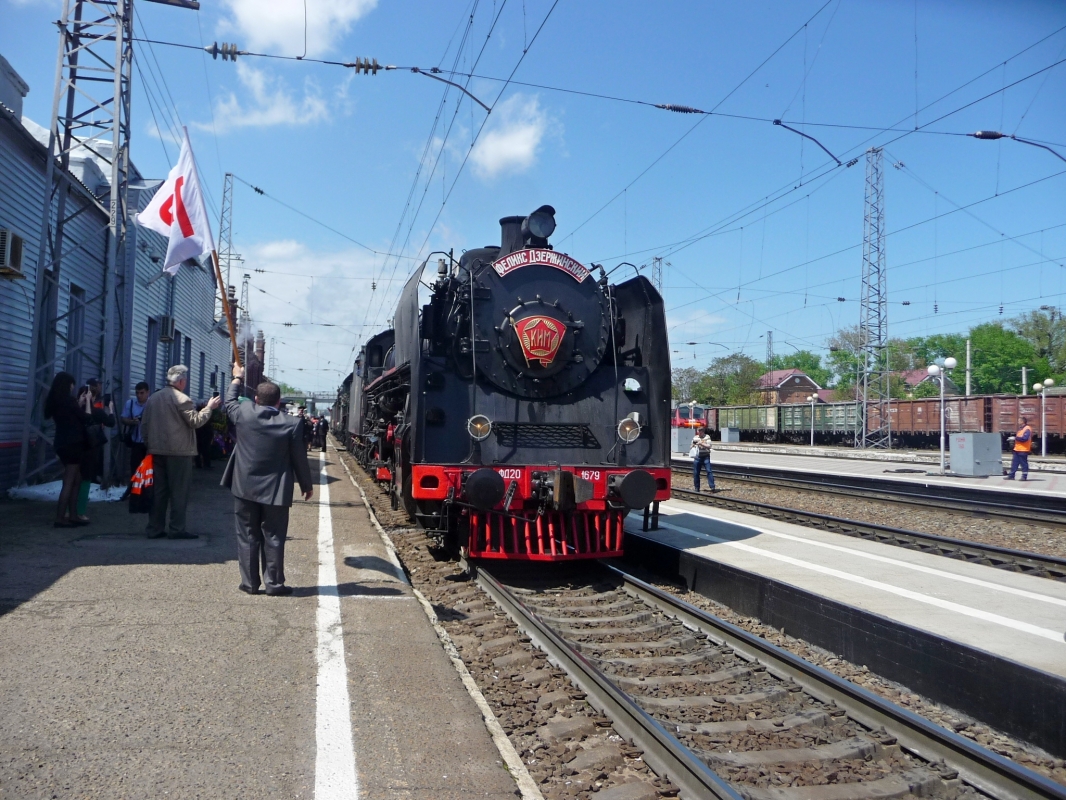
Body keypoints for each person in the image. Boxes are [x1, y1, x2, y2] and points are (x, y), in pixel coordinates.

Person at [222, 362, 313, 596]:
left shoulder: (244, 414)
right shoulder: (292, 424)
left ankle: (250, 584)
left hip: (244, 486)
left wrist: (236, 378)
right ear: (278, 402)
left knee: (247, 535)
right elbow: (299, 458)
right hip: (276, 490)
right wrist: (306, 485)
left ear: (256, 400)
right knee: (273, 536)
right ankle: (274, 584)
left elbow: (229, 401)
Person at [140, 365, 222, 539]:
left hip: (156, 450)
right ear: (182, 381)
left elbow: (144, 425)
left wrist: (149, 445)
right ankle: (177, 529)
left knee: (158, 492)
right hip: (179, 452)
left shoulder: (153, 398)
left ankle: (155, 528)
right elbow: (195, 421)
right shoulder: (182, 399)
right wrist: (209, 408)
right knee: (179, 492)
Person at [44, 372, 91, 527]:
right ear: (67, 384)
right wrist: (87, 402)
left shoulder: (55, 401)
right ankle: (61, 517)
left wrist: (78, 402)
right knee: (70, 480)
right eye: (72, 384)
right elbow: (85, 418)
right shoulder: (69, 401)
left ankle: (73, 515)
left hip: (61, 443)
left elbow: (69, 415)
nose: (73, 387)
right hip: (74, 444)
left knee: (76, 479)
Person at [76, 379, 116, 522]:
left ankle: (68, 510)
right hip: (91, 449)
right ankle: (80, 511)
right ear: (91, 397)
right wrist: (110, 409)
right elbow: (111, 423)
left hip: (75, 449)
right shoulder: (96, 412)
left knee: (72, 480)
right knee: (86, 479)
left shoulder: (73, 412)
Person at [120, 382, 151, 479]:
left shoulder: (152, 404)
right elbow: (123, 418)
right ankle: (135, 491)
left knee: (148, 470)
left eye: (142, 393)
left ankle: (147, 492)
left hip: (149, 442)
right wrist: (131, 422)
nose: (139, 395)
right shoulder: (131, 403)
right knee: (135, 468)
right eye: (137, 393)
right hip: (136, 441)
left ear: (147, 392)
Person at [1006, 415, 1033, 481]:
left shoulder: (1027, 429)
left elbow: (1024, 439)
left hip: (1023, 449)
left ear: (1022, 421)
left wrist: (1015, 438)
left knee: (1024, 464)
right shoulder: (1021, 429)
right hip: (1017, 449)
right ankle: (1011, 475)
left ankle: (1024, 476)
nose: (1018, 422)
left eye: (1019, 420)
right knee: (1014, 463)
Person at [692, 426, 716, 492]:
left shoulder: (707, 437)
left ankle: (712, 486)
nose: (699, 432)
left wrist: (701, 443)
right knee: (696, 473)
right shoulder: (695, 437)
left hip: (706, 457)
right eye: (698, 431)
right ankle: (697, 488)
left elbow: (709, 446)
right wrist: (693, 445)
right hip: (697, 457)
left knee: (709, 471)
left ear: (703, 431)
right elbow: (691, 446)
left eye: (701, 431)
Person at [194, 400, 215, 469]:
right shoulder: (207, 412)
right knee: (206, 449)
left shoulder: (196, 412)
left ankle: (198, 464)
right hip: (206, 433)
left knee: (198, 449)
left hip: (198, 432)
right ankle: (206, 464)